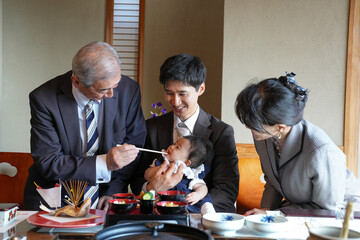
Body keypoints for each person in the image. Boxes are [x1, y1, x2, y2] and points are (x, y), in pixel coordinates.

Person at [23, 41, 146, 210]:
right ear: (76, 82)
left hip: (107, 196)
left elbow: (134, 148)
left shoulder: (129, 90)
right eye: (103, 90)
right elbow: (48, 161)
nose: (111, 94)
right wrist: (106, 164)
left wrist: (113, 191)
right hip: (54, 197)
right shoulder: (44, 99)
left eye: (115, 85)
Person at [235, 72, 360, 214]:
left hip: (342, 217)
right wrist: (265, 212)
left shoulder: (320, 151)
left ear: (280, 127)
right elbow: (273, 180)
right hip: (298, 211)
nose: (248, 126)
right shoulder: (263, 135)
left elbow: (326, 211)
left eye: (254, 124)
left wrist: (274, 214)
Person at [132, 53, 239, 212]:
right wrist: (150, 187)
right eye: (169, 93)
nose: (175, 102)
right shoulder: (151, 128)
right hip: (158, 215)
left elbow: (227, 190)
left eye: (182, 94)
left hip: (202, 218)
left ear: (201, 89)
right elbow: (136, 178)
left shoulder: (221, 132)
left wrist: (192, 208)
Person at [144, 135, 213, 212]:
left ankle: (207, 210)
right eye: (174, 144)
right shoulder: (160, 162)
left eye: (177, 147)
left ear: (186, 162)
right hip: (163, 201)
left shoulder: (189, 172)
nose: (171, 147)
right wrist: (160, 169)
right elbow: (147, 175)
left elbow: (202, 187)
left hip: (183, 203)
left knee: (205, 201)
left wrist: (198, 195)